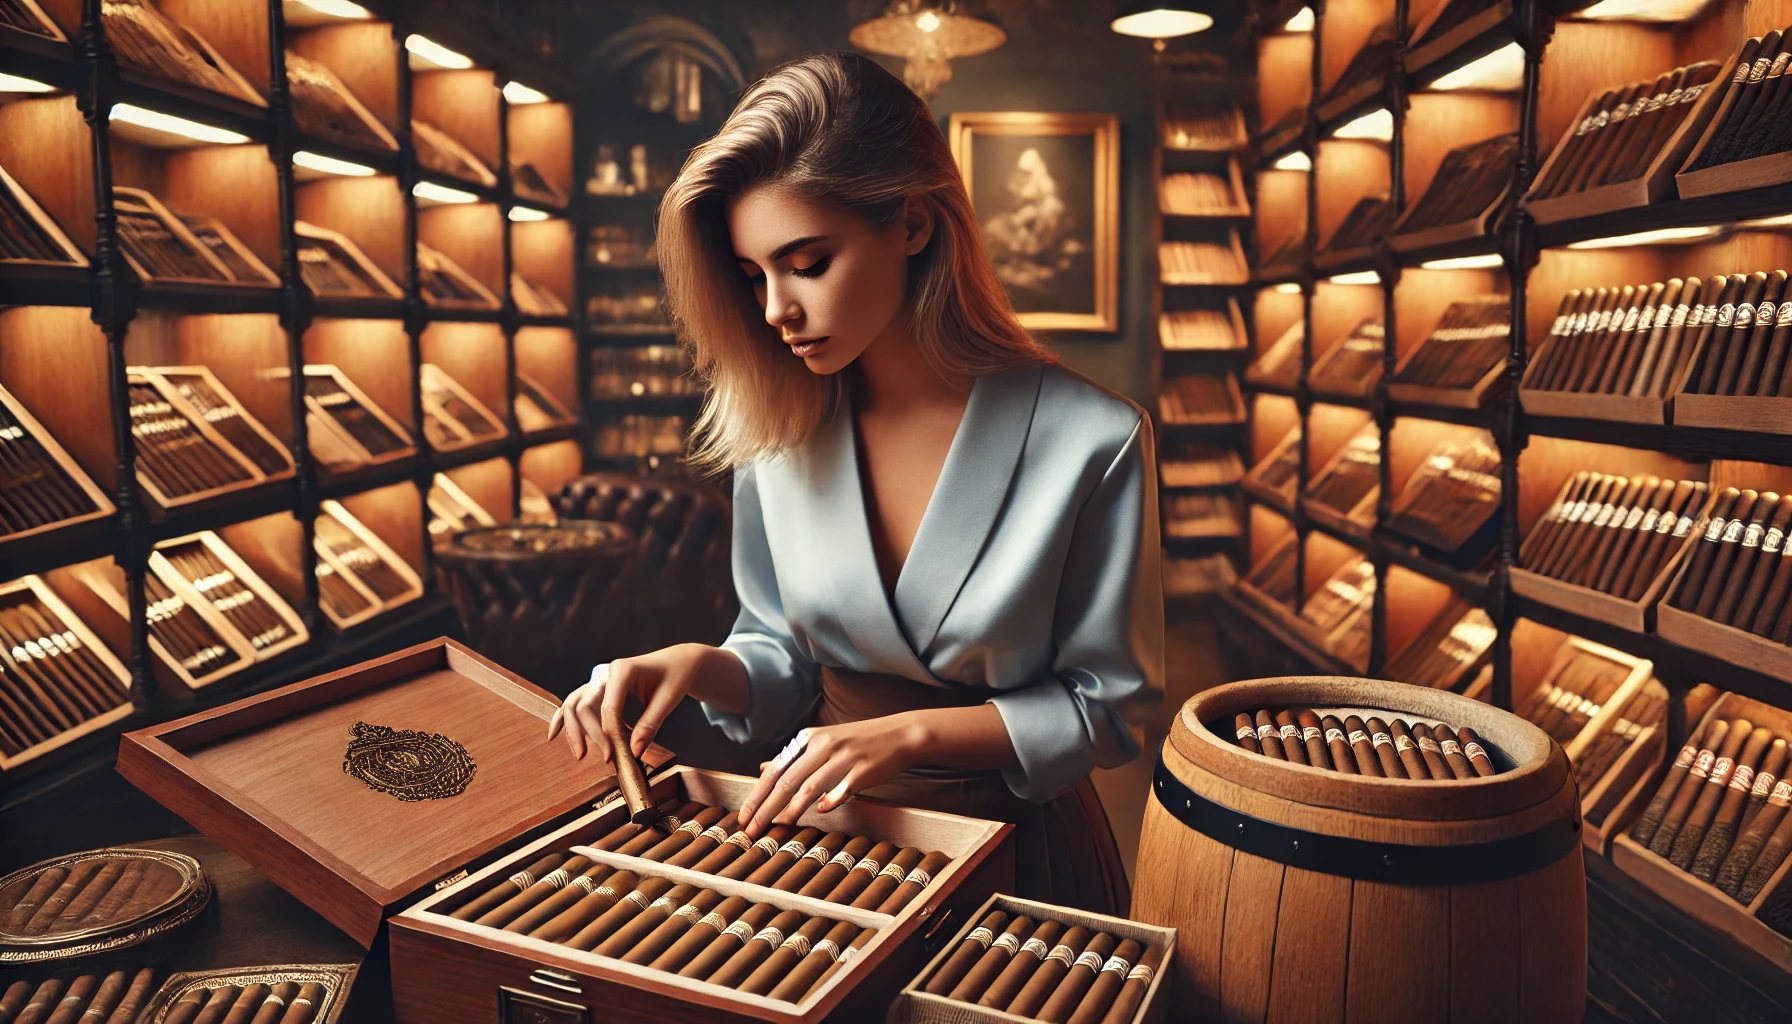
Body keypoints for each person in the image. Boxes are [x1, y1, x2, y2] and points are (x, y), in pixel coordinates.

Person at [548, 50, 1162, 915]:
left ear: (913, 223)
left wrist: (907, 737)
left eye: (807, 263)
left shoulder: (1093, 440)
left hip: (1012, 856)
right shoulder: (776, 424)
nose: (774, 311)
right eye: (753, 275)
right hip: (816, 837)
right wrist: (699, 666)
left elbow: (1109, 711)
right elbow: (785, 661)